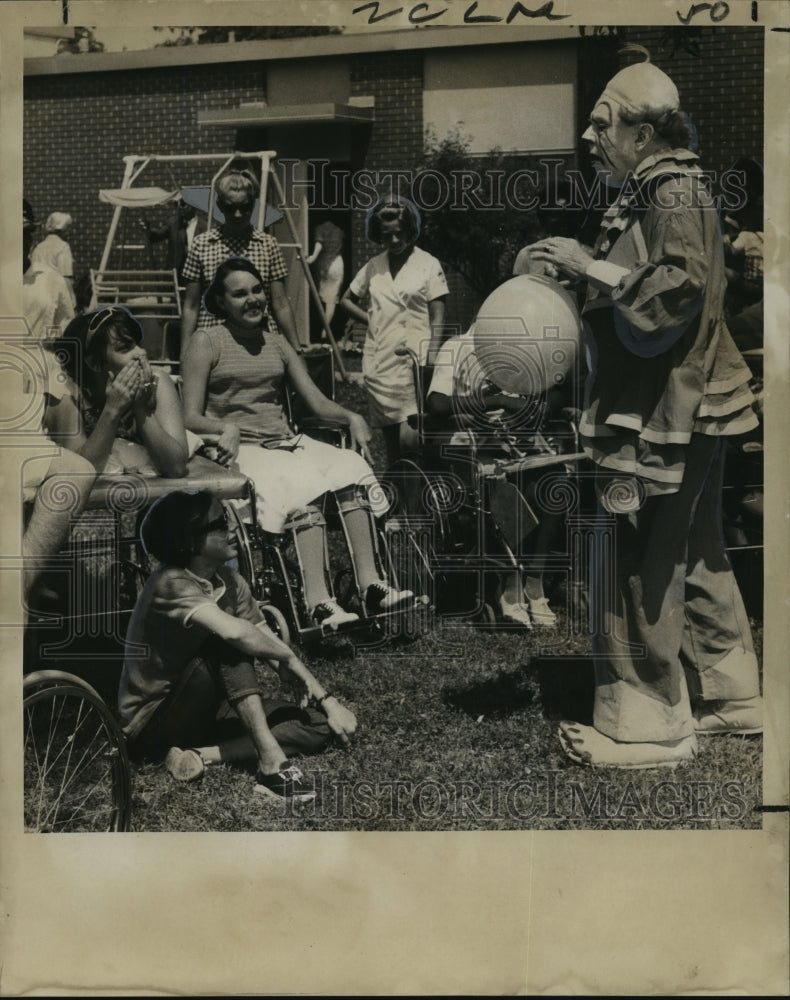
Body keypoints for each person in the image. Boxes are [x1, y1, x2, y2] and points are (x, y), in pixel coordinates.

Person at [527, 54, 763, 768]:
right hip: (690, 403)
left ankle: (648, 725)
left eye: (604, 123)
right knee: (693, 552)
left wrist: (584, 264)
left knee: (634, 555)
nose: (590, 136)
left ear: (646, 130)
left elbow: (677, 286)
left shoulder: (669, 186)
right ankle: (732, 696)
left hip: (668, 410)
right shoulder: (665, 185)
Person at [181, 257, 413, 630]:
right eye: (240, 294)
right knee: (302, 480)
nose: (253, 299)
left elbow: (316, 402)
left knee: (350, 467)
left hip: (286, 442)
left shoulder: (277, 343)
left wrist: (352, 416)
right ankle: (320, 603)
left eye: (257, 290)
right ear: (221, 301)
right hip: (242, 452)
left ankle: (371, 585)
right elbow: (187, 415)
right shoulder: (206, 342)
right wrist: (226, 427)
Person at [119, 490, 358, 800]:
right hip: (154, 723)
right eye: (220, 523)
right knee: (229, 640)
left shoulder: (230, 581)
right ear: (190, 541)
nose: (234, 527)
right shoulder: (169, 582)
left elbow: (265, 638)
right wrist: (285, 657)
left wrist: (329, 702)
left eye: (230, 518)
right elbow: (239, 635)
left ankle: (199, 755)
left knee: (317, 725)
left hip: (208, 711)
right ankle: (272, 766)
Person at [427, 326, 564, 629]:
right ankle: (510, 585)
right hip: (469, 449)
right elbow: (436, 404)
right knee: (507, 485)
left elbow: (554, 391)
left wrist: (539, 406)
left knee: (555, 479)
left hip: (513, 446)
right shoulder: (459, 346)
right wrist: (495, 402)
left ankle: (534, 581)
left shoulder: (523, 348)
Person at [340, 198, 449, 466]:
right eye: (387, 235)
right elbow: (345, 300)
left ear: (410, 229)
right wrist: (372, 320)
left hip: (416, 360)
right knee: (391, 445)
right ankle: (397, 498)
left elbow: (438, 316)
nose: (395, 239)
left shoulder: (428, 263)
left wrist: (432, 357)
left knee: (411, 439)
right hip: (381, 360)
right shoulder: (374, 266)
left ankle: (420, 495)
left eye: (400, 232)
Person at [43, 306, 189, 479]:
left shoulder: (157, 382)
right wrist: (112, 410)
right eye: (125, 348)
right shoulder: (65, 392)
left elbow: (176, 468)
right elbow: (78, 473)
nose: (141, 353)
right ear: (94, 363)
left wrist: (141, 410)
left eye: (138, 344)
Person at [180, 169, 301, 357]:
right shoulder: (201, 244)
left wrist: (296, 349)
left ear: (253, 205)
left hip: (259, 342)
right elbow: (191, 305)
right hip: (213, 342)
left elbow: (280, 303)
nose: (237, 214)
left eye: (244, 207)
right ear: (219, 205)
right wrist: (185, 351)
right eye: (230, 207)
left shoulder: (268, 244)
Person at [22, 200, 74, 341]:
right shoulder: (63, 247)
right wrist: (73, 301)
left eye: (26, 235)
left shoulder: (40, 246)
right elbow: (66, 276)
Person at [304, 220, 345, 344]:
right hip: (337, 262)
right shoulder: (339, 229)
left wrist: (313, 257)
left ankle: (322, 329)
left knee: (321, 297)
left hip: (323, 263)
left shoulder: (320, 228)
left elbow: (319, 243)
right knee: (332, 300)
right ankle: (326, 328)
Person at [30, 211, 77, 307]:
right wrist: (72, 298)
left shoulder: (38, 247)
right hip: (57, 296)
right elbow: (66, 277)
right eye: (69, 228)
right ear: (64, 229)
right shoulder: (63, 246)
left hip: (38, 296)